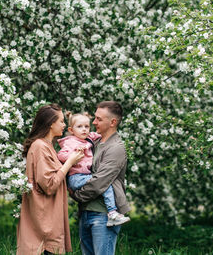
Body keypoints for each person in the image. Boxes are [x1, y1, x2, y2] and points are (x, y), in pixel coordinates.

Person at [16, 103, 84, 255]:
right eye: (61, 121)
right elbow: (49, 185)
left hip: (49, 222)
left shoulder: (48, 146)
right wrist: (69, 162)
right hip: (44, 227)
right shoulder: (40, 146)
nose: (64, 124)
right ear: (50, 123)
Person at [70, 101, 131, 255]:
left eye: (99, 119)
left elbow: (98, 183)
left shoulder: (116, 147)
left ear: (113, 122)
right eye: (95, 118)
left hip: (103, 216)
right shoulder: (92, 142)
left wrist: (75, 195)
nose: (94, 122)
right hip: (86, 212)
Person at [57, 112, 130, 227]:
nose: (84, 130)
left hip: (82, 177)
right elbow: (61, 155)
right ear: (71, 130)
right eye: (80, 127)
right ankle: (112, 213)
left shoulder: (88, 139)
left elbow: (99, 135)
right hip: (76, 177)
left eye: (87, 126)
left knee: (103, 184)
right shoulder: (70, 142)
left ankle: (112, 213)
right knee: (105, 184)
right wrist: (73, 156)